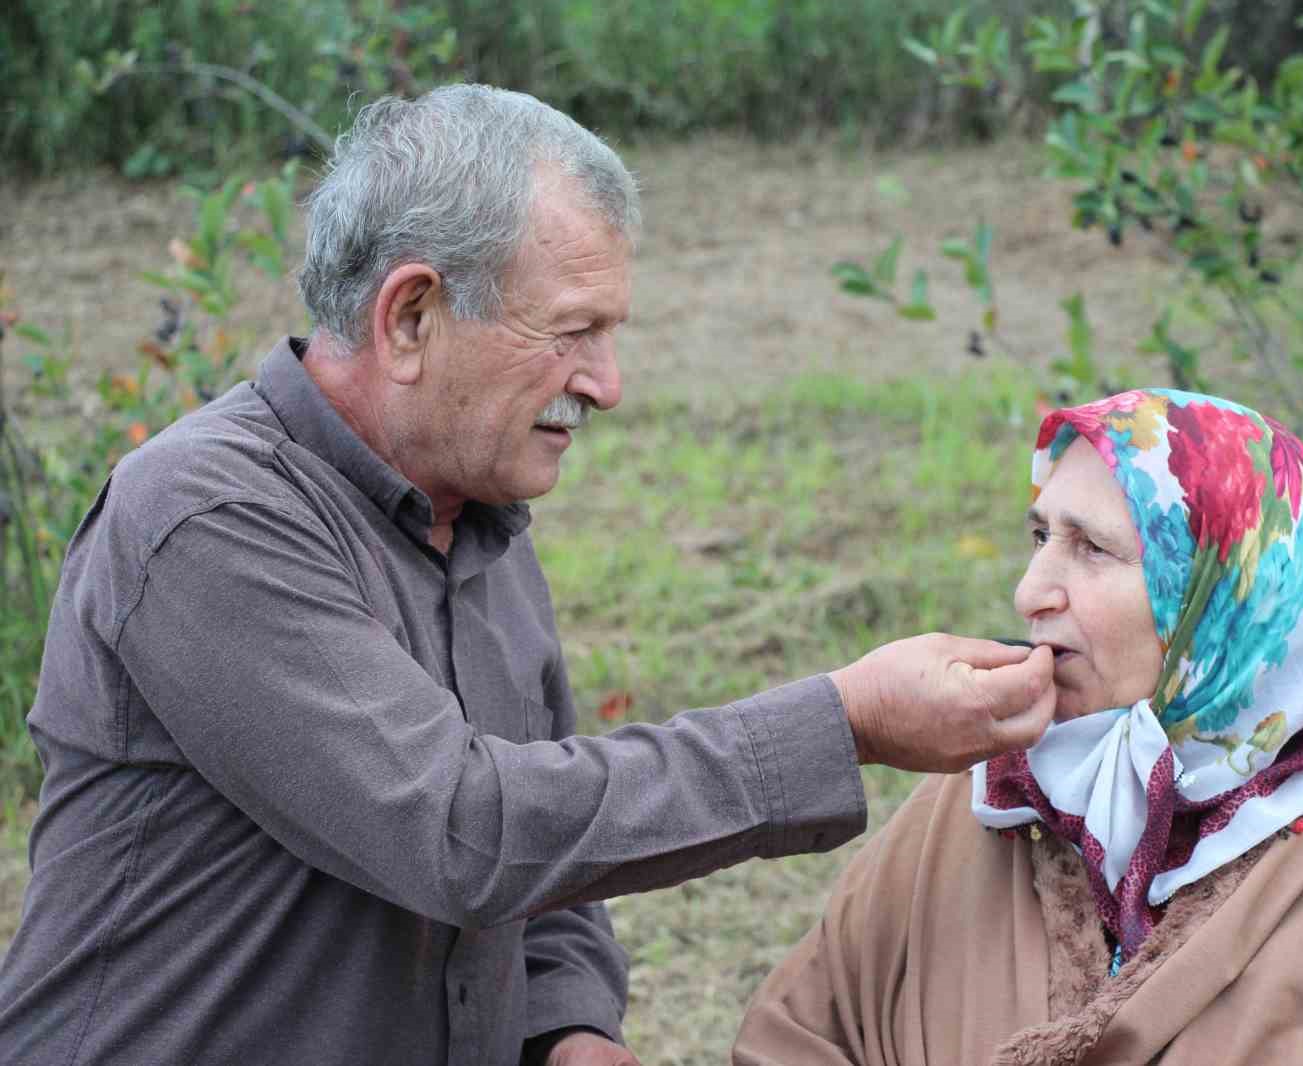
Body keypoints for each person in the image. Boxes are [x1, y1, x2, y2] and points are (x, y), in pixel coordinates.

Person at [0, 86, 1057, 1066]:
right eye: (572, 332)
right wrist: (843, 722)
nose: (608, 383)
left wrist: (566, 1025)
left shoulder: (476, 517)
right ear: (411, 318)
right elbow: (461, 831)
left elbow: (547, 846)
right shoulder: (207, 518)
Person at [734, 388, 1303, 1065]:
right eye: (1041, 536)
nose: (1029, 593)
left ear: (1221, 595)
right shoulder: (985, 798)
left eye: (1091, 549)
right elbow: (798, 1036)